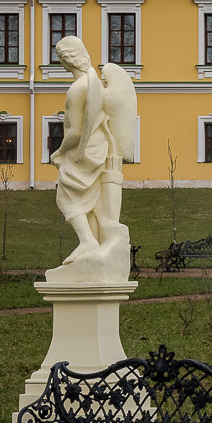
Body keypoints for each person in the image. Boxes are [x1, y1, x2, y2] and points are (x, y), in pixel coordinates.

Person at [50, 36, 135, 269]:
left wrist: (58, 152)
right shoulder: (94, 82)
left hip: (84, 151)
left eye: (59, 58)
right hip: (97, 147)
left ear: (66, 59)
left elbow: (76, 132)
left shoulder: (77, 89)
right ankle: (93, 242)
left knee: (65, 196)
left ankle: (88, 241)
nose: (59, 63)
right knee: (91, 199)